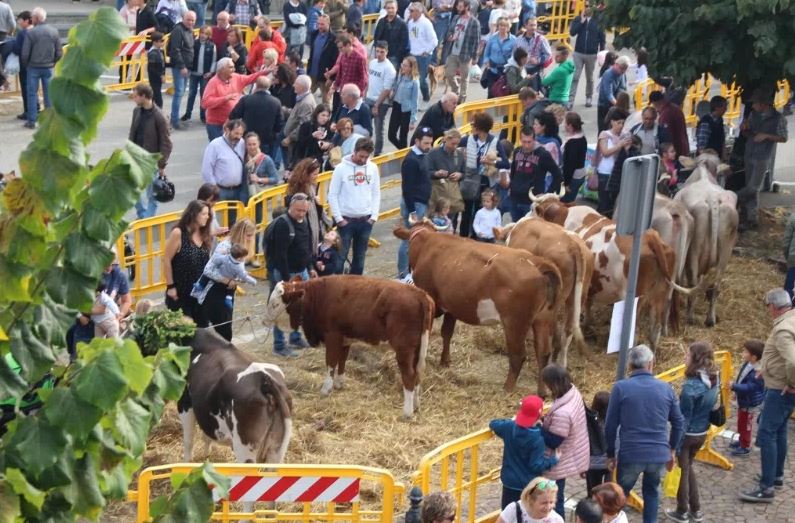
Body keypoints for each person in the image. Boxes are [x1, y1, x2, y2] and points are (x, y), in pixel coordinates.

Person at [604, 344, 685, 523]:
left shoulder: (620, 388)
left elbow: (610, 425)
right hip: (658, 454)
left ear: (630, 365)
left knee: (619, 495)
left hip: (631, 453)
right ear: (650, 363)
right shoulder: (666, 388)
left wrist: (610, 454)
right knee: (652, 493)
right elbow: (679, 422)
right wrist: (672, 449)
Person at [739, 288, 795, 502]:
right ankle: (776, 476)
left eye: (768, 307)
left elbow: (793, 361)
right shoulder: (792, 320)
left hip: (779, 390)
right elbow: (783, 357)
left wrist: (792, 383)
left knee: (766, 434)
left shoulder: (782, 329)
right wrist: (767, 367)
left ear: (773, 306)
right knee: (779, 431)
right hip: (782, 386)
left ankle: (766, 487)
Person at [664, 342, 719, 523]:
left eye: (687, 355)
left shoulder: (690, 387)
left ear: (696, 358)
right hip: (702, 432)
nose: (684, 358)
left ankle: (682, 511)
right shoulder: (714, 378)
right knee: (687, 468)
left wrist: (674, 445)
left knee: (683, 471)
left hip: (688, 435)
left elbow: (683, 420)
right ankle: (696, 509)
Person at [266, 194, 315, 357]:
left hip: (302, 271)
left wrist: (310, 267)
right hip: (286, 273)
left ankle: (295, 337)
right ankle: (279, 345)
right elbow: (280, 255)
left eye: (304, 211)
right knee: (281, 308)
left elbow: (306, 247)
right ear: (290, 207)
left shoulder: (304, 221)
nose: (301, 214)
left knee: (299, 307)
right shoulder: (283, 224)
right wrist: (287, 279)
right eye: (298, 210)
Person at [539, 364, 590, 518]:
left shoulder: (563, 413)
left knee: (554, 499)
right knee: (556, 496)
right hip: (571, 452)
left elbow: (554, 441)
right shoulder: (573, 392)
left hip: (559, 462)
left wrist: (539, 426)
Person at [490, 394, 558, 508]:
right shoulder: (537, 438)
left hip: (509, 482)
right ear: (539, 415)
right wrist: (553, 460)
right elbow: (536, 465)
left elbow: (493, 423)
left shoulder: (509, 427)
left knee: (509, 511)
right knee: (526, 512)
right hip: (528, 485)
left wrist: (512, 420)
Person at [736, 90, 788, 231]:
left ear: (763, 104)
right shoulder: (753, 115)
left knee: (754, 187)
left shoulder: (778, 118)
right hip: (749, 153)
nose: (752, 106)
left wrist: (767, 136)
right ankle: (751, 218)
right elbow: (748, 133)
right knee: (751, 187)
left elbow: (783, 138)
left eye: (755, 103)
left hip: (763, 156)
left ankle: (733, 197)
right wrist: (744, 128)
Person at [328, 138, 380, 275]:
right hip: (346, 220)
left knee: (360, 259)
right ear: (354, 151)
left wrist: (373, 216)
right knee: (340, 258)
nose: (363, 160)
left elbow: (376, 193)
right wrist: (339, 219)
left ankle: (355, 285)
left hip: (365, 220)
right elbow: (332, 194)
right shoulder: (340, 169)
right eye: (360, 156)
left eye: (366, 157)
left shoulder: (373, 168)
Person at [459, 112, 510, 237]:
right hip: (470, 181)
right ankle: (463, 237)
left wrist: (491, 162)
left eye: (474, 125)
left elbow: (506, 164)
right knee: (466, 212)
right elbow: (453, 146)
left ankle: (476, 238)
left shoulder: (495, 142)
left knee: (480, 212)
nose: (472, 127)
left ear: (480, 127)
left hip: (485, 183)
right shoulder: (468, 139)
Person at [164, 200, 213, 325]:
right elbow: (166, 260)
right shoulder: (178, 233)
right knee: (184, 330)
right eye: (204, 214)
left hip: (200, 293)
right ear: (194, 214)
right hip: (181, 292)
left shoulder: (204, 234)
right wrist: (170, 287)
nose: (207, 217)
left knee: (202, 329)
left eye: (208, 214)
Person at [129, 83, 173, 219]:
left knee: (152, 193)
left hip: (151, 161)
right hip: (136, 158)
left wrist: (161, 165)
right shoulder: (137, 111)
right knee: (133, 190)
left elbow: (166, 143)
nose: (133, 99)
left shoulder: (159, 116)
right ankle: (142, 215)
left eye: (135, 96)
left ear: (144, 96)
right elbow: (132, 133)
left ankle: (147, 220)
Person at [397, 127, 434, 278]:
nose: (429, 146)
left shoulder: (422, 155)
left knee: (413, 239)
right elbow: (407, 188)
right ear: (417, 141)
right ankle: (403, 274)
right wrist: (412, 211)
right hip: (414, 204)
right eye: (426, 143)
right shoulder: (411, 160)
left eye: (430, 143)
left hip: (421, 202)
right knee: (408, 239)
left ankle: (408, 271)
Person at [202, 57, 265, 141]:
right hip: (216, 124)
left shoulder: (236, 77)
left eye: (233, 67)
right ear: (222, 69)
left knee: (232, 146)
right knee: (219, 147)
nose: (234, 69)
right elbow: (205, 103)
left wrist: (266, 71)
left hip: (232, 123)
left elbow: (251, 78)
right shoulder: (213, 82)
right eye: (231, 67)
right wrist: (224, 99)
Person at [21, 7, 62, 129]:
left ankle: (32, 121)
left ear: (36, 18)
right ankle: (49, 121)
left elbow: (25, 54)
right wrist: (53, 62)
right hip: (48, 67)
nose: (31, 19)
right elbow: (59, 52)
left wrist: (26, 65)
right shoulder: (54, 31)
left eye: (32, 17)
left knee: (32, 94)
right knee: (48, 94)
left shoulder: (31, 33)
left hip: (33, 67)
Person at [509, 126, 560, 221]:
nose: (526, 145)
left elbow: (557, 174)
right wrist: (511, 187)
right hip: (515, 199)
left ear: (534, 139)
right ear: (520, 139)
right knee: (516, 226)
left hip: (532, 201)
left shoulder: (543, 154)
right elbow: (513, 172)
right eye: (524, 142)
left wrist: (546, 195)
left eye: (529, 142)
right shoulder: (517, 151)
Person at [729, 340, 765, 457]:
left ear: (754, 357)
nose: (742, 353)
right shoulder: (748, 364)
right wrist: (737, 391)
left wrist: (734, 386)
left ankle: (745, 446)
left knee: (746, 425)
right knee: (741, 423)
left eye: (745, 352)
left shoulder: (757, 371)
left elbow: (750, 387)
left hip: (749, 402)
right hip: (743, 400)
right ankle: (741, 440)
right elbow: (741, 378)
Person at [229, 76, 282, 155]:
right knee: (263, 161)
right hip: (266, 140)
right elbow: (279, 125)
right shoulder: (276, 102)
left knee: (246, 160)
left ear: (256, 85)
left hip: (248, 138)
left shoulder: (246, 99)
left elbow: (233, 116)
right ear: (268, 86)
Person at [202, 118, 249, 205]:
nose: (238, 137)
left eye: (241, 134)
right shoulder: (215, 145)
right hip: (221, 191)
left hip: (238, 190)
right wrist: (214, 188)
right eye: (236, 133)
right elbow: (207, 169)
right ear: (227, 130)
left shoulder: (242, 143)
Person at [287, 158, 327, 256]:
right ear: (306, 174)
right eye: (314, 174)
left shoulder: (311, 187)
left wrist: (317, 204)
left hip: (312, 226)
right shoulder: (299, 191)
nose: (317, 177)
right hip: (304, 228)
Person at [427, 128, 465, 231]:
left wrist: (460, 175)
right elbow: (426, 172)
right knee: (435, 223)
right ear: (445, 140)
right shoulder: (433, 154)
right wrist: (436, 173)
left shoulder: (459, 154)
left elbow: (465, 172)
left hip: (453, 196)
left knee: (452, 223)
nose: (455, 146)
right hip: (437, 196)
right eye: (453, 143)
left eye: (457, 144)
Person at [568, 4, 605, 108]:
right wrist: (581, 22)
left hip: (591, 54)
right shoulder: (578, 19)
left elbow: (602, 39)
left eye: (590, 6)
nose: (588, 8)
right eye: (586, 6)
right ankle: (570, 100)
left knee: (590, 77)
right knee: (575, 77)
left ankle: (589, 97)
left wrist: (601, 54)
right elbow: (572, 32)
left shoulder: (598, 21)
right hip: (578, 53)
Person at [442, 0, 480, 103]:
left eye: (460, 7)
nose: (458, 9)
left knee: (464, 77)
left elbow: (476, 41)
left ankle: (462, 97)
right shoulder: (456, 18)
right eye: (457, 6)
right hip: (453, 51)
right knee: (449, 73)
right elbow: (450, 31)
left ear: (467, 7)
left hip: (465, 53)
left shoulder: (474, 22)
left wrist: (475, 56)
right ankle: (455, 88)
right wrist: (450, 36)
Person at [595, 109, 630, 215]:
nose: (621, 126)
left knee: (614, 202)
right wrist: (619, 145)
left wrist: (627, 147)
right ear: (612, 122)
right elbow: (605, 152)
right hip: (605, 173)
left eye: (623, 123)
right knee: (604, 202)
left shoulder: (625, 135)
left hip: (618, 173)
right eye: (618, 123)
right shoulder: (605, 134)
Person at [166, 10, 196, 130]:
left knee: (180, 92)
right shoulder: (178, 30)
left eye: (192, 20)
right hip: (180, 67)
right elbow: (175, 50)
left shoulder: (189, 30)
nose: (190, 22)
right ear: (183, 18)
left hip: (187, 66)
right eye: (188, 19)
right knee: (178, 93)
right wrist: (182, 66)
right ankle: (174, 120)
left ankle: (175, 119)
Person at [366, 41, 397, 156]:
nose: (379, 54)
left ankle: (378, 153)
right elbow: (368, 81)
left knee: (378, 129)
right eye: (377, 51)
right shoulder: (372, 63)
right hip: (368, 99)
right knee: (366, 128)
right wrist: (364, 96)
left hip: (381, 103)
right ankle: (365, 149)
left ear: (387, 52)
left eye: (382, 52)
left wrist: (376, 105)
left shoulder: (389, 68)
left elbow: (386, 89)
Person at [182, 26, 217, 123]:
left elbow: (214, 60)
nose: (203, 35)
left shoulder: (212, 46)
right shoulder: (194, 43)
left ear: (209, 35)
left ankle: (203, 115)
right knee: (191, 94)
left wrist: (211, 72)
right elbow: (190, 56)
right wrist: (189, 69)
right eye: (202, 33)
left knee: (203, 96)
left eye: (206, 34)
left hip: (205, 75)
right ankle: (188, 113)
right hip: (194, 73)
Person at [406, 2, 437, 103]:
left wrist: (427, 51)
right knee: (410, 78)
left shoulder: (426, 23)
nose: (410, 13)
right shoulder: (410, 23)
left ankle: (426, 98)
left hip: (423, 57)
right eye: (409, 10)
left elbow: (434, 41)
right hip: (413, 54)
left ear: (418, 12)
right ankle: (411, 99)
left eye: (412, 11)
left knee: (421, 80)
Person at [496, 477, 563, 523]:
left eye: (551, 502)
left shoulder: (556, 520)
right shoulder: (514, 509)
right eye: (544, 503)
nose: (548, 507)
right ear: (531, 500)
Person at [281, 74, 317, 160]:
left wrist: (290, 138)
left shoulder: (306, 103)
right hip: (291, 138)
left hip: (295, 142)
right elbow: (297, 114)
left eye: (296, 84)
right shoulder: (302, 98)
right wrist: (285, 110)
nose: (293, 85)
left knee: (291, 161)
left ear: (301, 87)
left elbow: (303, 125)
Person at [388, 56, 421, 149]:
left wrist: (413, 120)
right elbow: (395, 86)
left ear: (411, 68)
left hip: (406, 111)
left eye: (405, 65)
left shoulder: (415, 82)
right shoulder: (400, 76)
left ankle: (403, 153)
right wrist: (392, 91)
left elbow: (415, 101)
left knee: (403, 136)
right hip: (396, 107)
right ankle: (403, 151)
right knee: (391, 135)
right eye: (402, 64)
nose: (402, 67)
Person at [327, 33, 368, 106]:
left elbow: (364, 79)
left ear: (348, 45)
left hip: (353, 97)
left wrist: (356, 94)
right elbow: (340, 75)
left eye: (341, 47)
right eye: (338, 48)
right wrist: (333, 88)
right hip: (343, 94)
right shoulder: (343, 56)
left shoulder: (360, 58)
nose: (339, 50)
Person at [307, 14, 338, 104]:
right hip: (312, 74)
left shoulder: (334, 39)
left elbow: (336, 61)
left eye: (322, 24)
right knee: (305, 96)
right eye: (318, 24)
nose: (319, 26)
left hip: (325, 76)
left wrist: (331, 78)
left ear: (328, 23)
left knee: (326, 102)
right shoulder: (314, 34)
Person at [606, 134, 642, 211]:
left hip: (619, 185)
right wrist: (626, 150)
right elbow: (625, 165)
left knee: (613, 206)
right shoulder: (627, 152)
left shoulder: (630, 152)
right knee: (614, 206)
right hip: (619, 185)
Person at [649, 90, 689, 159]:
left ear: (655, 103)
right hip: (683, 148)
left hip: (675, 152)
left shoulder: (665, 114)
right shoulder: (675, 108)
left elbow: (666, 137)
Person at [293, 103, 333, 168]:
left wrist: (328, 145)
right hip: (305, 160)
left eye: (327, 116)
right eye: (323, 115)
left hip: (318, 162)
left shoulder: (327, 128)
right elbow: (300, 144)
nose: (325, 118)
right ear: (317, 114)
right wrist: (312, 136)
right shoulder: (307, 125)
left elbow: (329, 142)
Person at [585, 391, 610, 493]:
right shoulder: (614, 421)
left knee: (593, 491)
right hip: (610, 462)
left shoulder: (588, 422)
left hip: (593, 463)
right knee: (609, 490)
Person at [373, 0, 409, 71]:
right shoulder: (381, 21)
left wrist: (398, 54)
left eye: (392, 8)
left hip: (394, 57)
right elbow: (376, 37)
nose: (390, 10)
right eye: (388, 8)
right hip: (381, 54)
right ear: (385, 9)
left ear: (396, 8)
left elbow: (404, 42)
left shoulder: (402, 24)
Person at [596, 55, 628, 133]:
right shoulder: (608, 74)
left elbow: (622, 88)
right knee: (604, 129)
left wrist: (621, 103)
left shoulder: (622, 74)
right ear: (616, 65)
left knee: (616, 130)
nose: (623, 71)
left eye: (625, 69)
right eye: (621, 68)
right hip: (604, 105)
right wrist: (619, 105)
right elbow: (608, 94)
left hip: (616, 105)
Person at [11, 11, 33, 122]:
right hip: (36, 63)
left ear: (26, 20)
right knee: (33, 88)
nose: (19, 23)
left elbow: (17, 49)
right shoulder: (36, 31)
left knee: (25, 87)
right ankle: (36, 108)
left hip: (24, 64)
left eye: (20, 20)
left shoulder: (22, 33)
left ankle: (28, 111)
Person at [514, 17, 550, 84]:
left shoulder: (541, 39)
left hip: (535, 70)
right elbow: (514, 54)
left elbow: (548, 54)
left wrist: (538, 60)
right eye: (531, 25)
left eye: (535, 25)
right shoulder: (518, 39)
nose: (533, 27)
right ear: (525, 26)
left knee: (534, 89)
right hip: (522, 70)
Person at [561, 111, 587, 203]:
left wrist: (566, 183)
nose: (563, 124)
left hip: (573, 178)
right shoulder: (581, 137)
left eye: (564, 122)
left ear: (570, 126)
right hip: (579, 174)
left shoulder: (572, 143)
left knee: (565, 203)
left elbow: (570, 165)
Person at [482, 17, 514, 91]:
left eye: (505, 26)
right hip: (492, 69)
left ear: (509, 27)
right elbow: (486, 53)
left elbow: (513, 56)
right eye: (501, 25)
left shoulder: (513, 40)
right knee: (491, 92)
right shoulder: (492, 38)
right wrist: (487, 62)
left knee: (503, 92)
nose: (502, 27)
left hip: (505, 71)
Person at [146, 32, 167, 109]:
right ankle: (157, 112)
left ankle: (154, 112)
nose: (163, 42)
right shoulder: (152, 53)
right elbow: (151, 68)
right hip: (154, 78)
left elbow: (163, 64)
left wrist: (163, 74)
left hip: (159, 77)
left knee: (156, 97)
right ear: (155, 42)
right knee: (158, 99)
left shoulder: (160, 50)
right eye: (161, 41)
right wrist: (161, 76)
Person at [785, 212, 795, 301]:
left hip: (793, 258)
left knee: (789, 288)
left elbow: (786, 241)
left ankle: (788, 305)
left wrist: (787, 256)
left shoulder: (793, 217)